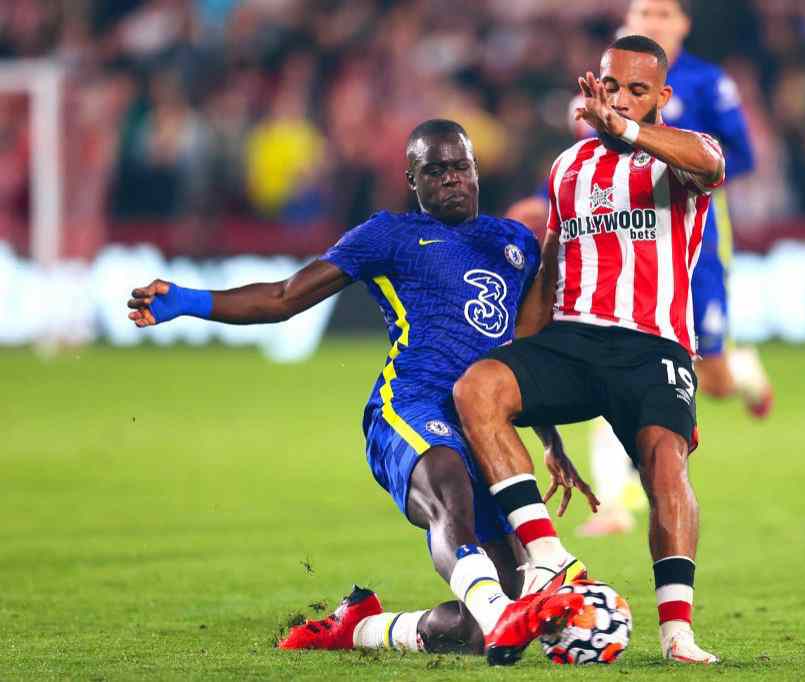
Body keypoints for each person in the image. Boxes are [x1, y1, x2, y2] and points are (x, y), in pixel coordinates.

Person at [126, 120, 593, 666]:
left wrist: (550, 439)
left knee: (473, 633)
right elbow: (283, 297)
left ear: (475, 170)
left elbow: (521, 352)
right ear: (412, 180)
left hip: (484, 428)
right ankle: (497, 614)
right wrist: (186, 300)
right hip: (411, 406)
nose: (450, 179)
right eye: (434, 171)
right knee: (448, 489)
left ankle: (365, 627)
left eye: (459, 167)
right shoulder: (388, 235)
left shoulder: (513, 244)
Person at [455, 36, 724, 664]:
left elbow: (711, 164)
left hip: (652, 345)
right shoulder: (567, 168)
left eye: (638, 90)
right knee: (478, 387)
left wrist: (626, 129)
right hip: (572, 341)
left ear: (662, 96)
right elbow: (549, 272)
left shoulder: (675, 158)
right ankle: (548, 558)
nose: (622, 98)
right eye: (612, 86)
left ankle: (677, 633)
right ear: (595, 86)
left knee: (664, 464)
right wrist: (546, 435)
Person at [507, 0, 773, 538]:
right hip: (616, 240)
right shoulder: (603, 88)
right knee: (616, 347)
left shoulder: (708, 82)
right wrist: (539, 202)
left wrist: (665, 148)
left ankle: (741, 370)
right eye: (644, 12)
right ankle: (612, 502)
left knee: (715, 379)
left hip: (690, 239)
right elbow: (587, 166)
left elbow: (739, 157)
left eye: (663, 13)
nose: (652, 22)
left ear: (684, 25)